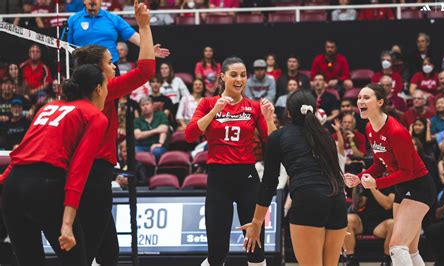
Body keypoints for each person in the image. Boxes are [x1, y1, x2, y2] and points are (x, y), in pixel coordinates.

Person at [70, 1, 160, 264]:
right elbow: (146, 70)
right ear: (98, 71)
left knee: (108, 251)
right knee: (88, 251)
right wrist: (144, 26)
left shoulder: (69, 96)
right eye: (111, 62)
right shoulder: (104, 91)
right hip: (94, 175)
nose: (114, 66)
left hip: (83, 173)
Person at [0, 64, 109, 265]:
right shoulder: (96, 116)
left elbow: (21, 153)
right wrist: (67, 224)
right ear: (99, 89)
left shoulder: (48, 106)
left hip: (13, 187)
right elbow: (79, 170)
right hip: (45, 187)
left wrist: (2, 181)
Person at [185, 57, 276, 266]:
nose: (239, 79)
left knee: (255, 247)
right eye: (234, 75)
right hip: (218, 180)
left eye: (243, 75)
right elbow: (190, 135)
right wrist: (214, 112)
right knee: (217, 252)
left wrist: (269, 120)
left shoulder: (253, 107)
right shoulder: (207, 103)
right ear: (222, 77)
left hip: (247, 178)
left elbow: (273, 143)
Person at [240, 89, 347, 266]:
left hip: (308, 200)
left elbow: (269, 183)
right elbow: (336, 174)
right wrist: (341, 221)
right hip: (337, 203)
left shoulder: (280, 137)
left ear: (288, 112)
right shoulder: (325, 136)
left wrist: (257, 221)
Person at [344, 83, 436, 266]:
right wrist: (360, 178)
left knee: (396, 246)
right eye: (359, 97)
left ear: (380, 102)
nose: (360, 101)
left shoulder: (396, 131)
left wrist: (376, 184)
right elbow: (379, 163)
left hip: (419, 188)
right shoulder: (369, 128)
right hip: (402, 188)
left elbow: (407, 172)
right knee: (410, 249)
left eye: (366, 97)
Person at [67, 0, 169, 65]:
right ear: (83, 1)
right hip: (83, 68)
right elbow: (67, 47)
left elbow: (132, 35)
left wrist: (150, 49)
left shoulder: (113, 18)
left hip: (109, 68)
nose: (93, 0)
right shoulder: (73, 20)